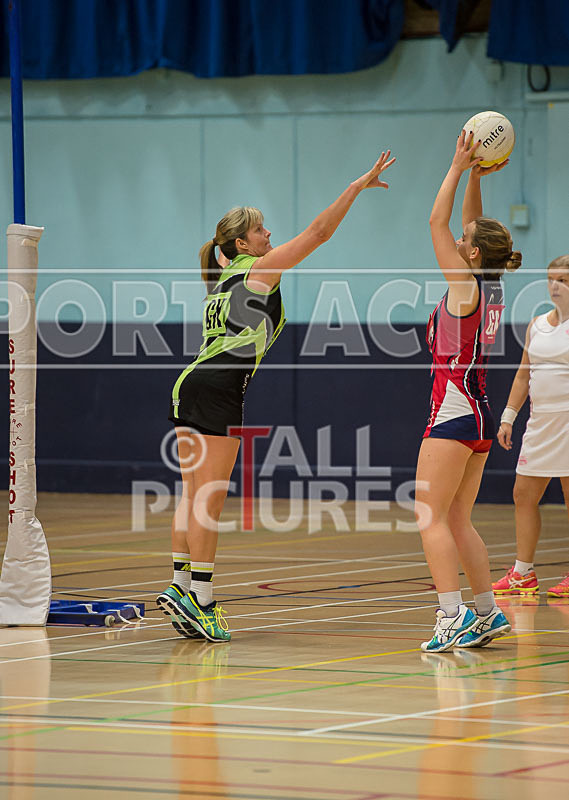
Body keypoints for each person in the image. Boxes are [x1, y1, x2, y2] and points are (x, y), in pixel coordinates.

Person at [156, 149, 396, 642]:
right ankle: (201, 599)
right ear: (243, 241)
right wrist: (355, 187)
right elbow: (319, 234)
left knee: (192, 493)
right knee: (209, 499)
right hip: (220, 387)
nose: (270, 235)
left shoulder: (222, 278)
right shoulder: (258, 269)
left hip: (191, 383)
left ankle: (181, 586)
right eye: (262, 230)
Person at [416, 130, 522, 653]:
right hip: (477, 415)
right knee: (458, 517)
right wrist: (479, 176)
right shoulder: (493, 282)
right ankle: (486, 611)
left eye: (465, 243)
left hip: (454, 411)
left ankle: (451, 614)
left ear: (472, 253)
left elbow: (438, 223)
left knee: (429, 514)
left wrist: (458, 166)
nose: (457, 241)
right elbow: (467, 227)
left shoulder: (465, 285)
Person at [493, 254, 569, 597]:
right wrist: (509, 416)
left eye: (564, 280)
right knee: (523, 495)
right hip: (540, 424)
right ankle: (523, 572)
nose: (556, 286)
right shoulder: (537, 325)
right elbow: (524, 374)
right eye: (552, 279)